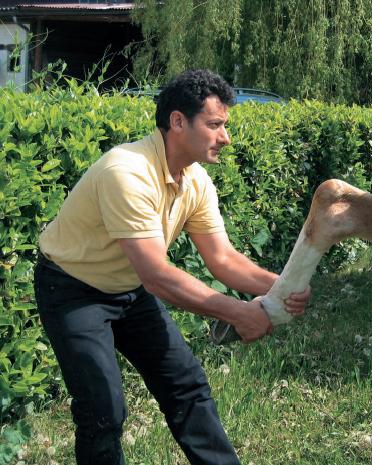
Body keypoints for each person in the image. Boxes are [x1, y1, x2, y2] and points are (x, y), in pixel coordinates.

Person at [34, 69, 311, 465]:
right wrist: (238, 311)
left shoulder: (195, 181)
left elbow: (222, 258)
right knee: (103, 410)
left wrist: (282, 287)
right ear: (178, 122)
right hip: (73, 289)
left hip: (128, 288)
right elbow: (157, 275)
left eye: (225, 125)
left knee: (187, 386)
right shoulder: (126, 173)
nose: (225, 137)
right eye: (215, 125)